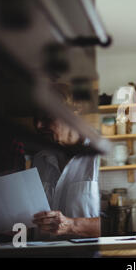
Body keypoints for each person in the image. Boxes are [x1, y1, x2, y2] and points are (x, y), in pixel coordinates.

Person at [31, 84, 101, 239]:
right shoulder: (39, 159)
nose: (38, 126)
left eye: (47, 118)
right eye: (36, 118)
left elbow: (120, 224)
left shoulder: (99, 156)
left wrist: (72, 225)